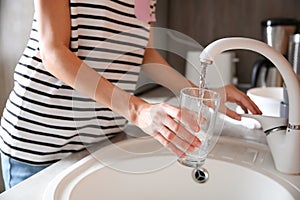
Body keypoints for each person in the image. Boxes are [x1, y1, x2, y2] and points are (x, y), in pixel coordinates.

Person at [0, 0, 261, 190]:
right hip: (40, 142)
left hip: (98, 140)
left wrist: (199, 94)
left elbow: (143, 54)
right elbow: (54, 53)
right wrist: (138, 110)